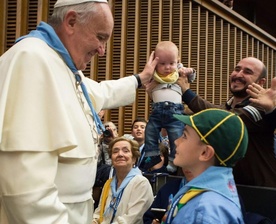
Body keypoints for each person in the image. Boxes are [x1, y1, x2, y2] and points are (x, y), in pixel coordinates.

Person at [0, 0, 159, 223]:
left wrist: (139, 80)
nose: (102, 51)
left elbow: (99, 92)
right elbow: (24, 188)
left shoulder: (62, 65)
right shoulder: (31, 59)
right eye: (101, 37)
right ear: (72, 21)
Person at [177, 57, 276, 187]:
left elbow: (225, 120)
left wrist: (186, 93)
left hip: (259, 192)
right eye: (237, 69)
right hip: (227, 188)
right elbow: (214, 113)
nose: (239, 74)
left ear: (261, 82)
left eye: (247, 72)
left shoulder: (261, 108)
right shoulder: (225, 107)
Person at [160, 108, 248, 224]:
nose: (176, 141)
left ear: (205, 153)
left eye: (184, 136)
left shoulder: (206, 211)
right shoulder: (202, 198)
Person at [143, 41, 196, 173]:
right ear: (155, 63)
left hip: (175, 110)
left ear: (177, 61)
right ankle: (151, 155)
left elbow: (192, 78)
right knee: (150, 131)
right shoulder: (152, 75)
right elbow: (143, 83)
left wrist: (190, 71)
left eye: (171, 63)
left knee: (176, 136)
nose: (167, 67)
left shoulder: (179, 72)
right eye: (162, 64)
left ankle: (173, 158)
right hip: (157, 110)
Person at [92, 137, 154, 224]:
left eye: (125, 151)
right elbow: (99, 212)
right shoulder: (109, 183)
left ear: (134, 159)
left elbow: (130, 219)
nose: (120, 154)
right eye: (115, 151)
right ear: (111, 158)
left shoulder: (141, 183)